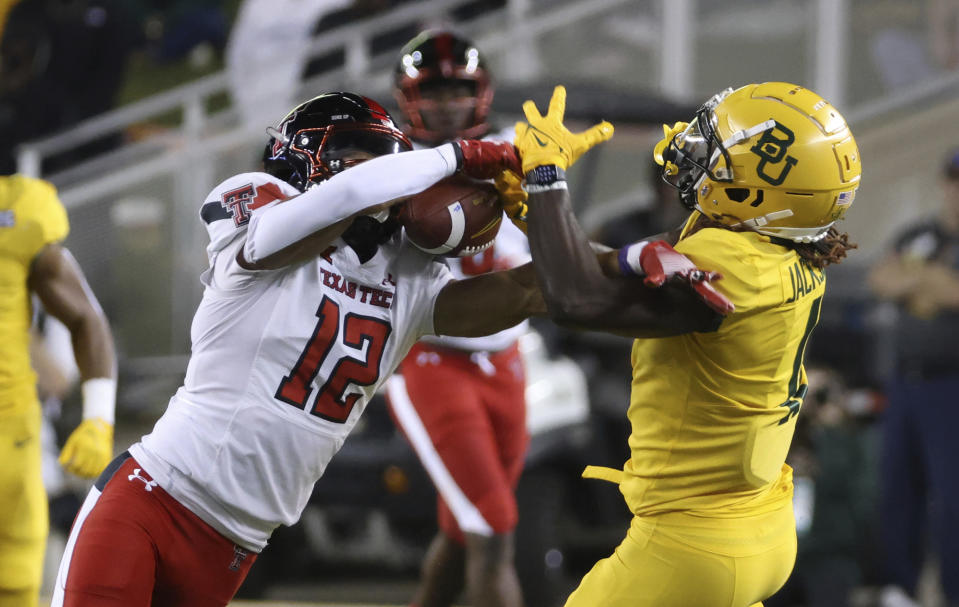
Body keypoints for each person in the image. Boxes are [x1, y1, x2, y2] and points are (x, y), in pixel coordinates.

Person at [49, 91, 554, 607]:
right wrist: (462, 155)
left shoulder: (409, 277)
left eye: (387, 163)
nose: (378, 175)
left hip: (237, 544)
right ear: (307, 159)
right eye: (360, 158)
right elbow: (341, 199)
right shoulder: (254, 202)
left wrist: (546, 204)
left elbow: (541, 290)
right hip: (154, 500)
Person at [512, 82, 862, 606]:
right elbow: (622, 265)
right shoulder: (780, 247)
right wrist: (536, 217)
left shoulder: (733, 261)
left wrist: (545, 180)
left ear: (758, 192)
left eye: (724, 156)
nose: (700, 153)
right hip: (760, 521)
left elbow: (577, 301)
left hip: (693, 542)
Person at [387, 29, 529, 607]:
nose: (446, 102)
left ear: (481, 93)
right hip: (434, 359)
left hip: (509, 359)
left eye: (457, 89)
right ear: (409, 96)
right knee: (493, 527)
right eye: (434, 90)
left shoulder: (518, 148)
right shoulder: (390, 163)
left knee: (464, 526)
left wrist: (547, 180)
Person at [0, 174, 116, 607]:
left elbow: (86, 318)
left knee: (14, 584)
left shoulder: (16, 214)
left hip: (9, 431)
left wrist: (98, 418)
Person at [868, 148, 959, 607]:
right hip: (906, 381)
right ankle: (898, 588)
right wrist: (927, 282)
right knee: (897, 486)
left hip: (952, 383)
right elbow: (882, 278)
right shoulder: (921, 233)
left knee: (952, 496)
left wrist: (923, 282)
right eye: (953, 180)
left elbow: (951, 293)